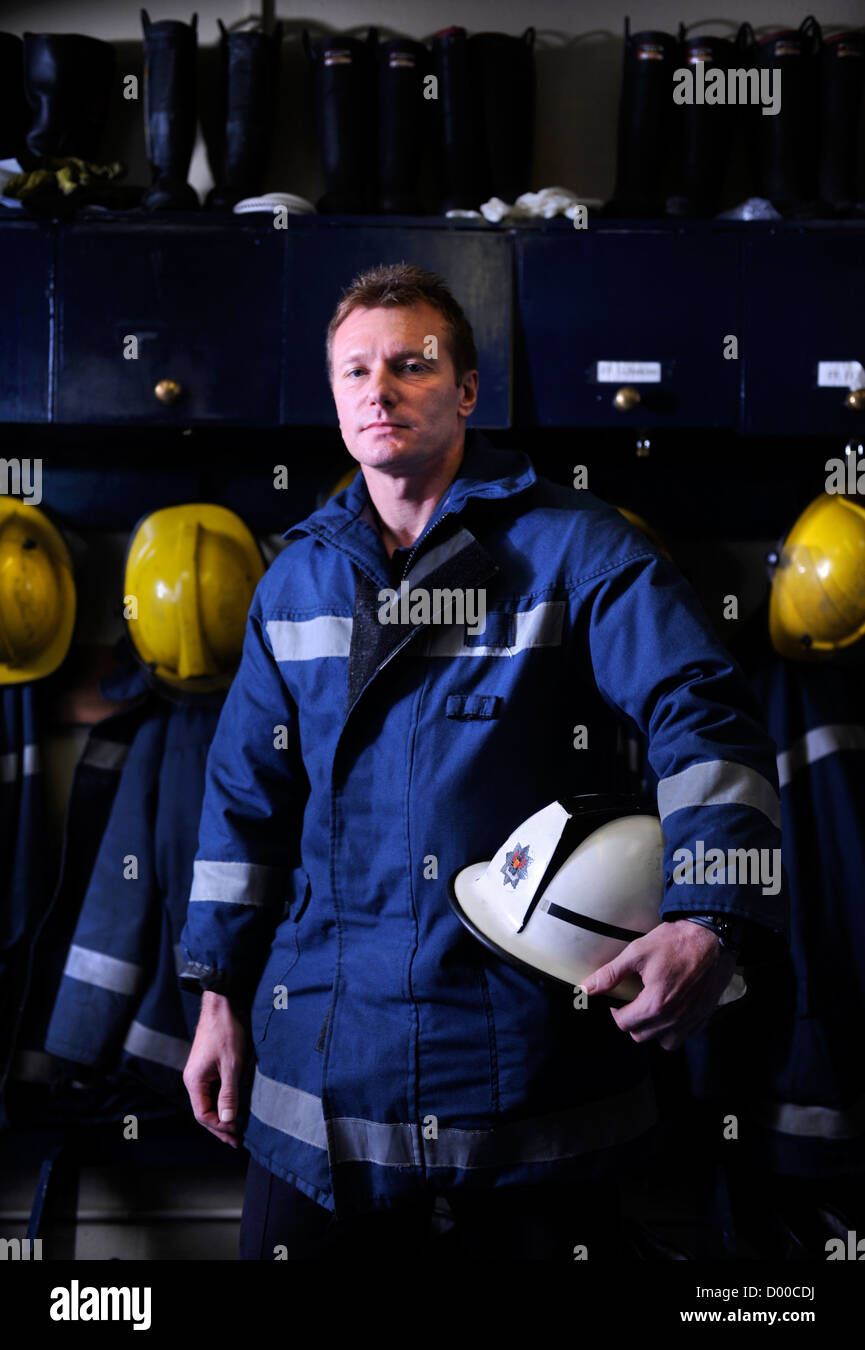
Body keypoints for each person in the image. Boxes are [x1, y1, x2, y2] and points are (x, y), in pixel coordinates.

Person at [180, 263, 785, 1260]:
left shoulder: (579, 551)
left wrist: (709, 915)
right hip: (318, 1077)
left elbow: (705, 717)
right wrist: (215, 996)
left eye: (411, 365)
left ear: (466, 390)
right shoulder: (293, 582)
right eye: (355, 371)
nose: (380, 390)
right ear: (334, 397)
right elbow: (245, 801)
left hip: (529, 1079)